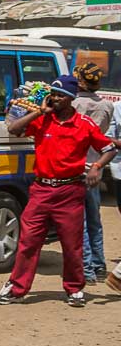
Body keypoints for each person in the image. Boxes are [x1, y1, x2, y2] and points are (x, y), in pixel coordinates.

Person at [0, 75, 119, 307]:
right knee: (29, 241)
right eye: (53, 94)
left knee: (72, 244)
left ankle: (74, 289)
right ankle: (16, 287)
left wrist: (98, 167)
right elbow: (14, 128)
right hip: (41, 189)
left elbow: (108, 148)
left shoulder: (84, 124)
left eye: (61, 95)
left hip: (70, 191)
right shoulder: (43, 120)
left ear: (71, 98)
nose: (56, 98)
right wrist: (39, 112)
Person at [71, 62, 112, 284]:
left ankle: (86, 269)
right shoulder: (107, 106)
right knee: (94, 219)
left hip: (77, 167)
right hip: (97, 166)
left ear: (80, 81)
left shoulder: (73, 104)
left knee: (81, 222)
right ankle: (99, 265)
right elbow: (103, 138)